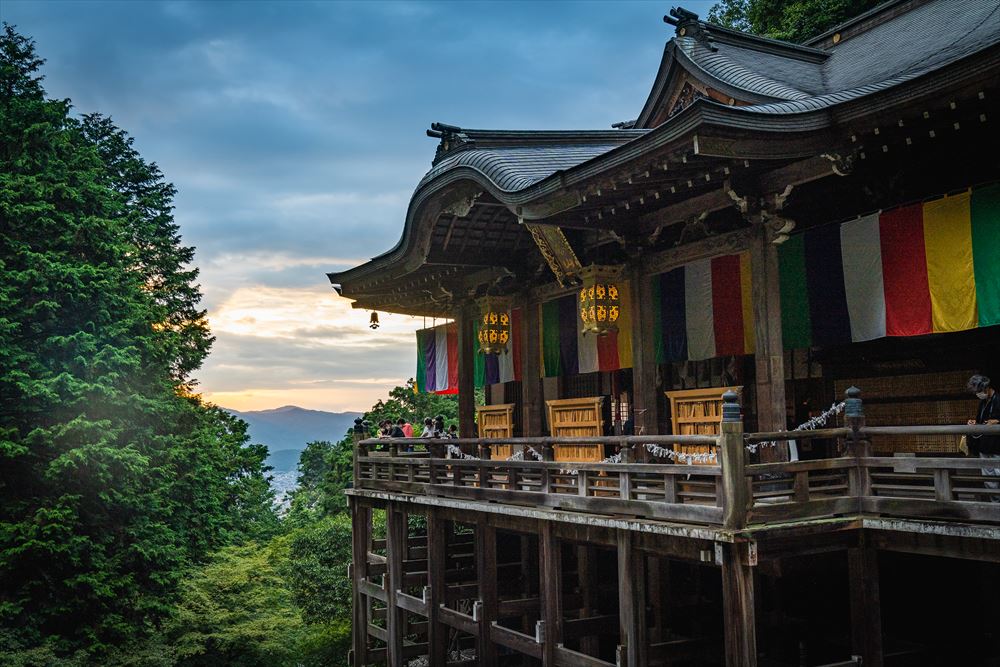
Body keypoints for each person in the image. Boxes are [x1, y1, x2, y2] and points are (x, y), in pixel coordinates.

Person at [967, 374, 1000, 502]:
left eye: (979, 391)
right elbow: (981, 421)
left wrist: (997, 421)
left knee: (998, 475)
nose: (978, 394)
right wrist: (975, 423)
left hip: (998, 447)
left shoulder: (998, 400)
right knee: (989, 480)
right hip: (984, 446)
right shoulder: (983, 402)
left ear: (986, 388)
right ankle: (995, 505)